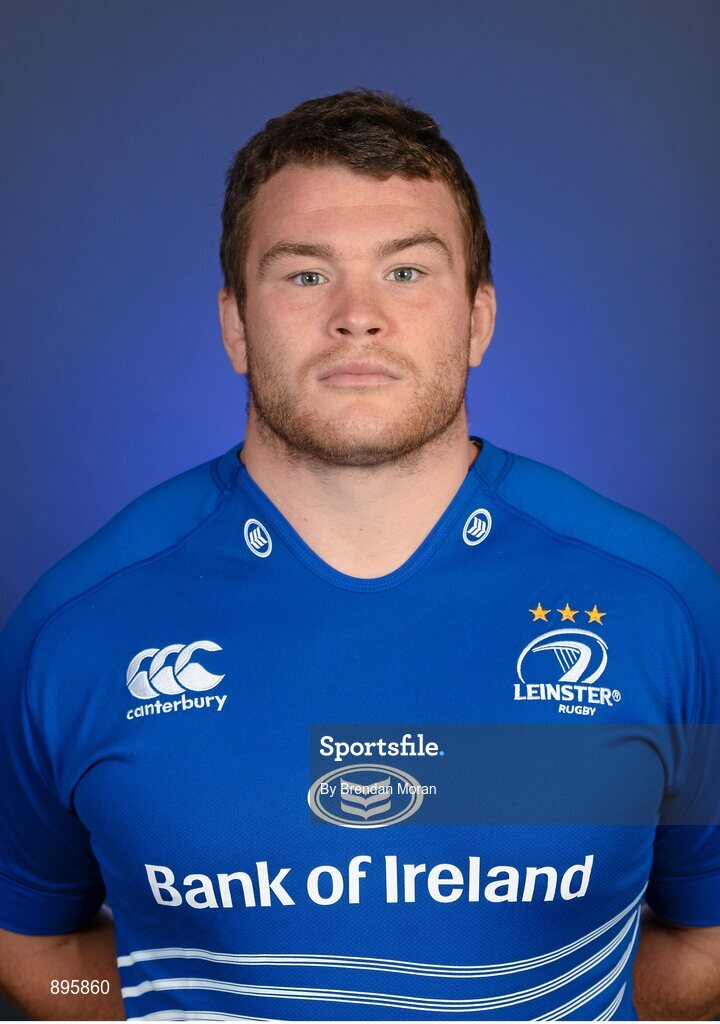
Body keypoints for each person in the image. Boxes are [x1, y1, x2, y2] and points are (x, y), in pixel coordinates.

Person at [0, 88, 718, 1023]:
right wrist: (164, 1000)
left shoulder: (663, 604)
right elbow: (35, 945)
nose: (357, 316)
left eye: (408, 272)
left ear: (478, 318)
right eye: (304, 275)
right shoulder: (72, 628)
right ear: (233, 325)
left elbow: (708, 937)